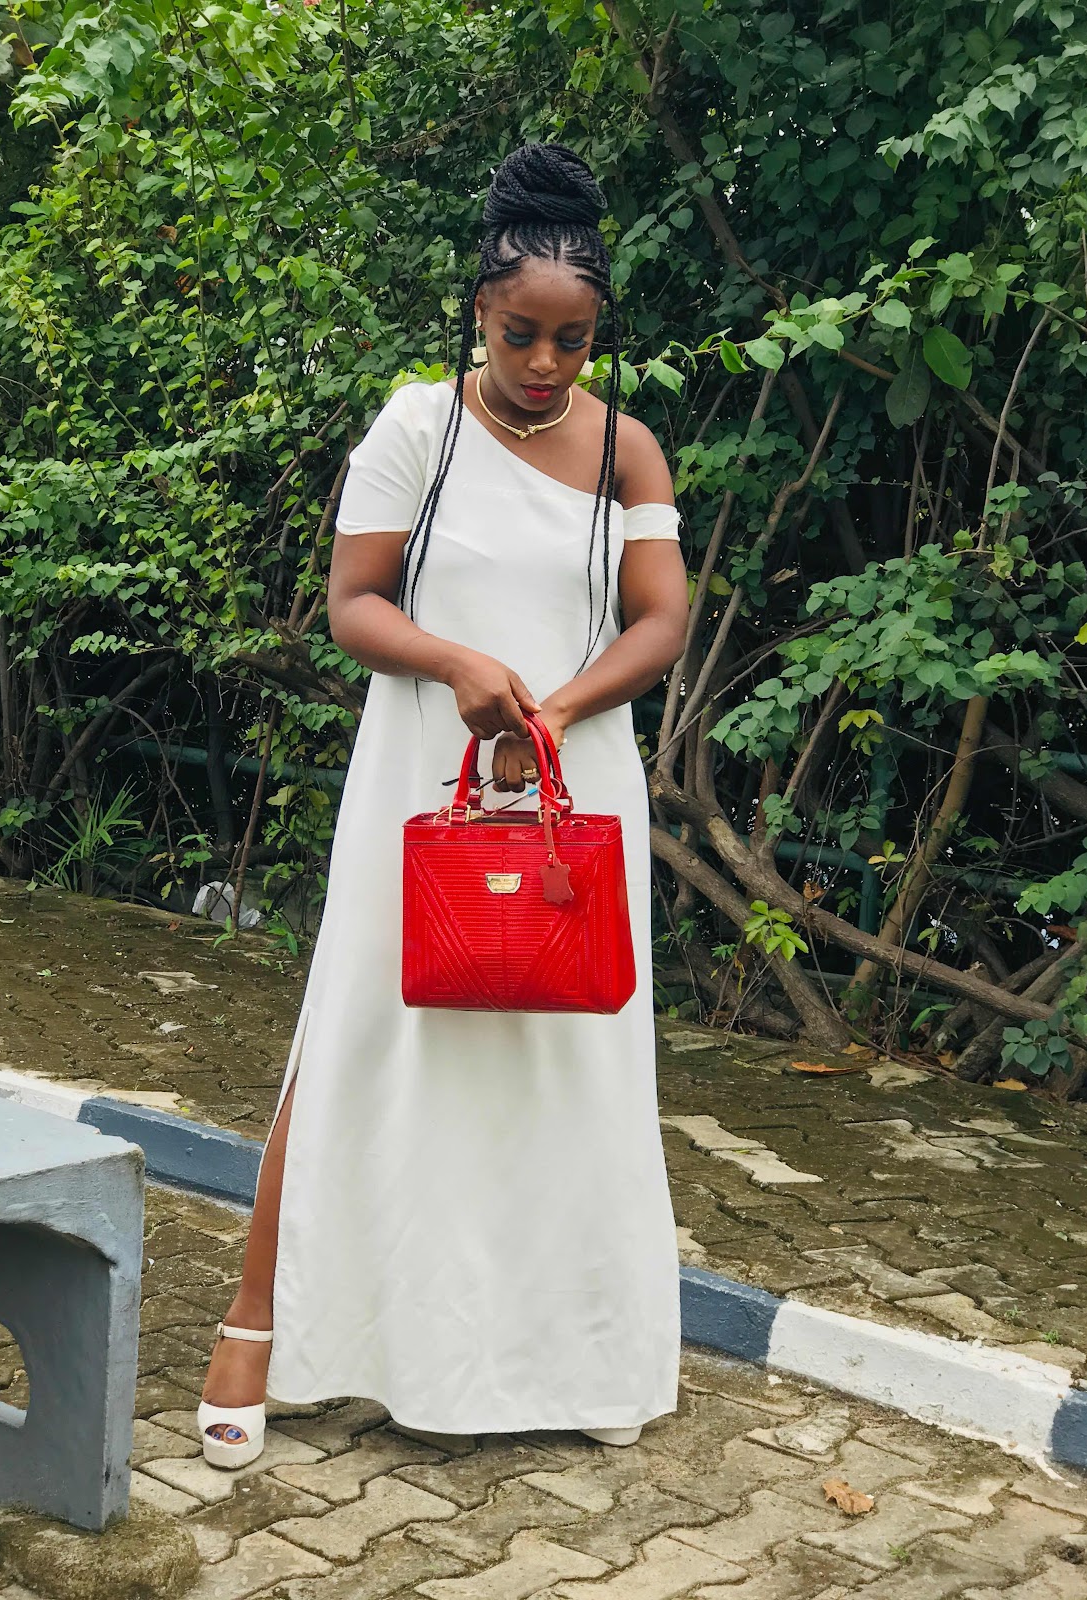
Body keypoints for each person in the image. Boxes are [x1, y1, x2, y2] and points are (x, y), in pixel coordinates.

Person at [197, 142, 690, 1466]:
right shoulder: (416, 428)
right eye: (521, 333)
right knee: (361, 1037)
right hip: (420, 773)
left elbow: (661, 621)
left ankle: (582, 1359)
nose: (545, 363)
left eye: (573, 340)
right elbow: (353, 604)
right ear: (479, 309)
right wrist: (461, 666)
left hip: (572, 791)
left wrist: (558, 714)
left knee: (568, 1063)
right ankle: (258, 1332)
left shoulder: (628, 450)